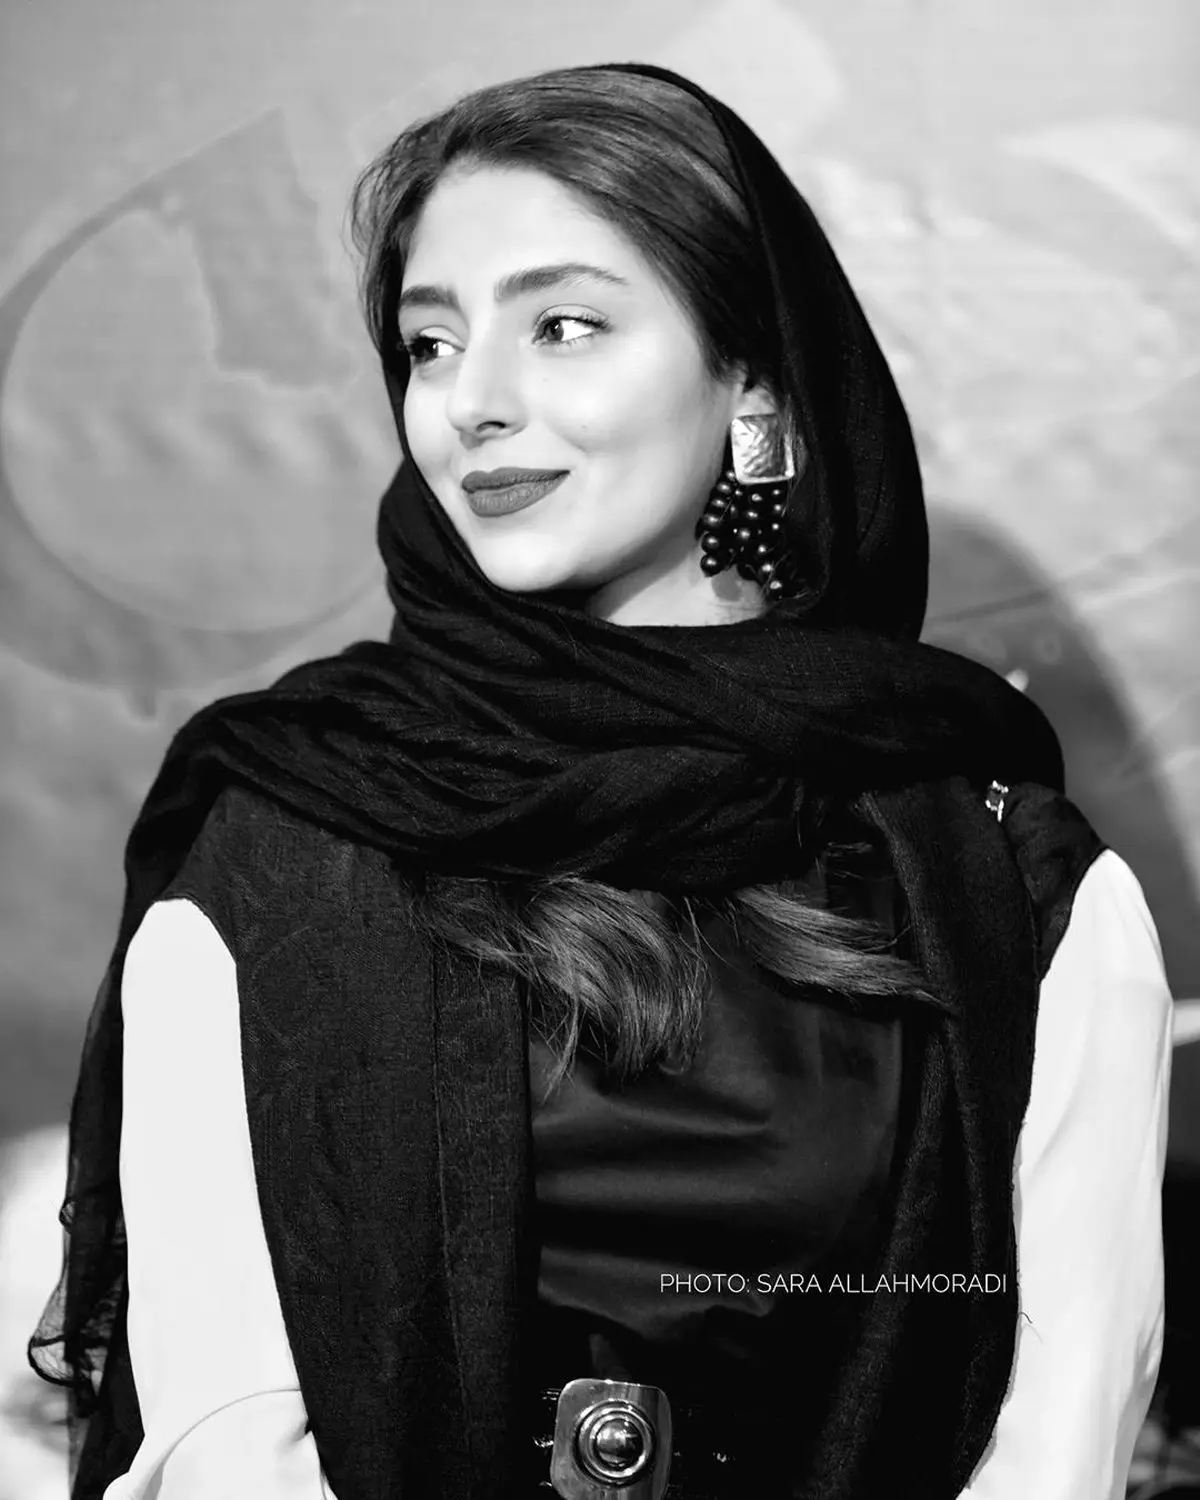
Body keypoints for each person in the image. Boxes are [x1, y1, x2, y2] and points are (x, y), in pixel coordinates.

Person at [27, 62, 1171, 1500]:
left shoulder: (1009, 886)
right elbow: (224, 1438)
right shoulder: (281, 832)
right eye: (429, 343)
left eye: (563, 326)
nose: (473, 404)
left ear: (754, 382)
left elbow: (1053, 1448)